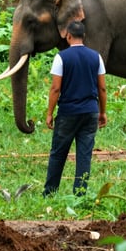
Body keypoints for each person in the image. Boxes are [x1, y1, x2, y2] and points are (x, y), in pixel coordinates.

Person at [44, 20, 107, 196]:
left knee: (58, 153)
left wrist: (49, 113)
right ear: (84, 36)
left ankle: (50, 192)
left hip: (68, 113)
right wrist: (102, 112)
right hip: (90, 112)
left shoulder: (61, 57)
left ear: (68, 36)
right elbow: (102, 88)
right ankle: (80, 194)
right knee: (84, 155)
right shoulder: (96, 57)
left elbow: (56, 88)